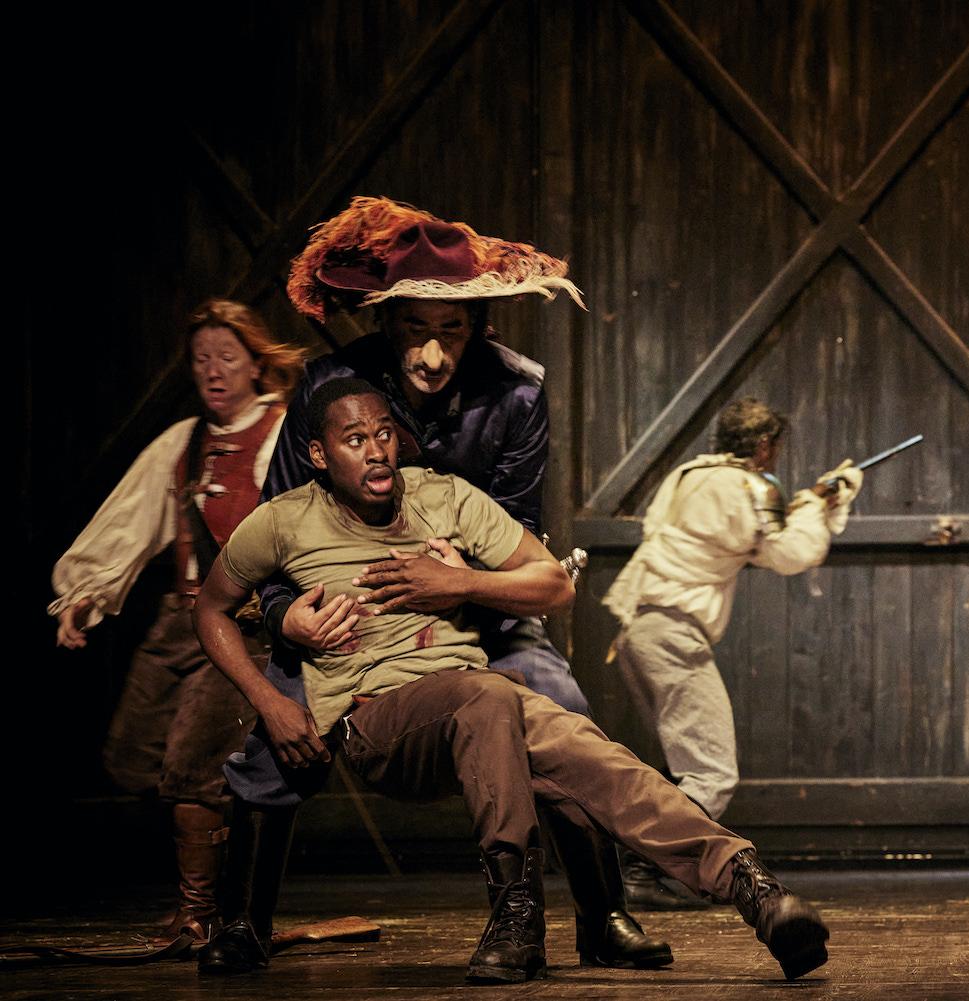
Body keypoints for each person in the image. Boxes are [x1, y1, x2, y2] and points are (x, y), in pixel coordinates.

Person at [192, 378, 830, 983]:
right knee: (494, 693)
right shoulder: (284, 519)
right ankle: (515, 912)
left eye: (384, 434)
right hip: (380, 720)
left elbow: (552, 582)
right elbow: (211, 607)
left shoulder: (444, 497)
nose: (376, 450)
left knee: (592, 754)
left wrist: (463, 582)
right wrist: (268, 697)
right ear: (318, 453)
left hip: (477, 707)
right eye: (355, 440)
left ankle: (757, 890)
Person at [209, 196, 669, 971]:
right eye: (415, 329)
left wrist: (458, 585)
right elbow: (278, 532)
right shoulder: (331, 387)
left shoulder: (518, 391)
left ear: (479, 327)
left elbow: (519, 539)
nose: (432, 353)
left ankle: (602, 913)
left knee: (563, 706)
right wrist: (290, 622)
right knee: (275, 734)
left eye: (450, 330)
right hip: (346, 613)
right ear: (388, 326)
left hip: (477, 605)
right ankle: (238, 921)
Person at [48, 299, 304, 942]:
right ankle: (224, 863)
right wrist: (84, 593)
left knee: (193, 769)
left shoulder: (282, 432)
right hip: (177, 622)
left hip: (244, 624)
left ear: (253, 362)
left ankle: (200, 913)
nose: (213, 370)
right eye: (201, 359)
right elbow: (129, 522)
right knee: (131, 761)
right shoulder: (183, 443)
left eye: (226, 356)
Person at [603, 398, 862, 906]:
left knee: (687, 766)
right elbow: (786, 552)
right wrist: (822, 506)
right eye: (776, 448)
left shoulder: (689, 476)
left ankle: (648, 870)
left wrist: (810, 500)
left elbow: (739, 532)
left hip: (641, 630)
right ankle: (637, 868)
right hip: (672, 634)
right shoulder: (747, 486)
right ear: (764, 445)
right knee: (712, 771)